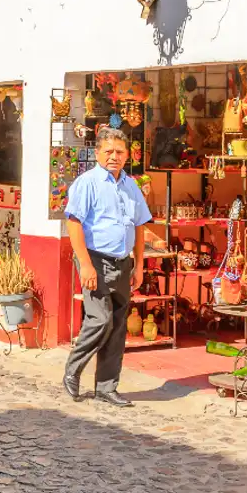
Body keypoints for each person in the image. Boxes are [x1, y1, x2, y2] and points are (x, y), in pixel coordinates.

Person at [63, 127, 151, 408]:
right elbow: (74, 223)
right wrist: (85, 266)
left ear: (128, 155)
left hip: (123, 263)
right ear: (98, 153)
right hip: (96, 260)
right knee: (100, 319)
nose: (114, 156)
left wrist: (139, 266)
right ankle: (73, 370)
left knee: (117, 327)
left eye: (120, 152)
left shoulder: (130, 185)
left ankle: (106, 387)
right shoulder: (87, 183)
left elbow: (139, 226)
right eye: (109, 151)